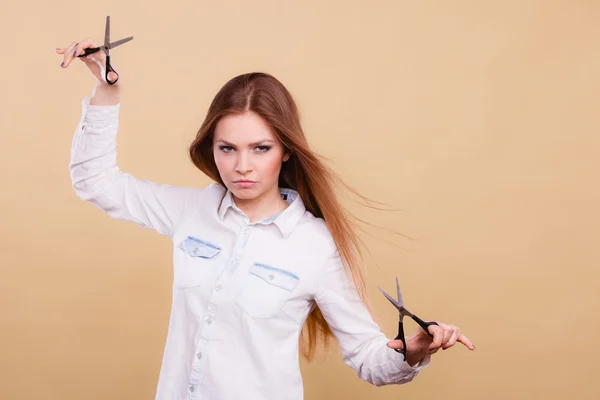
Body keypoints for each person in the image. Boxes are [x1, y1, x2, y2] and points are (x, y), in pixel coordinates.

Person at [57, 38, 475, 400]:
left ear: (286, 150)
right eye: (227, 148)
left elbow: (368, 357)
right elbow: (96, 182)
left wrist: (412, 349)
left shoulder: (314, 245)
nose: (242, 166)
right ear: (211, 148)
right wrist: (106, 92)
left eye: (260, 148)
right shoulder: (192, 212)